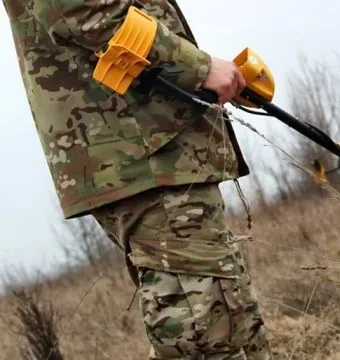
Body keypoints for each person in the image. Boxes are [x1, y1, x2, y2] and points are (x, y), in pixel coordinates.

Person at [2, 0, 271, 359]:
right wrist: (197, 67)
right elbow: (83, 10)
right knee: (205, 336)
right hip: (143, 152)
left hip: (154, 151)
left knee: (232, 327)